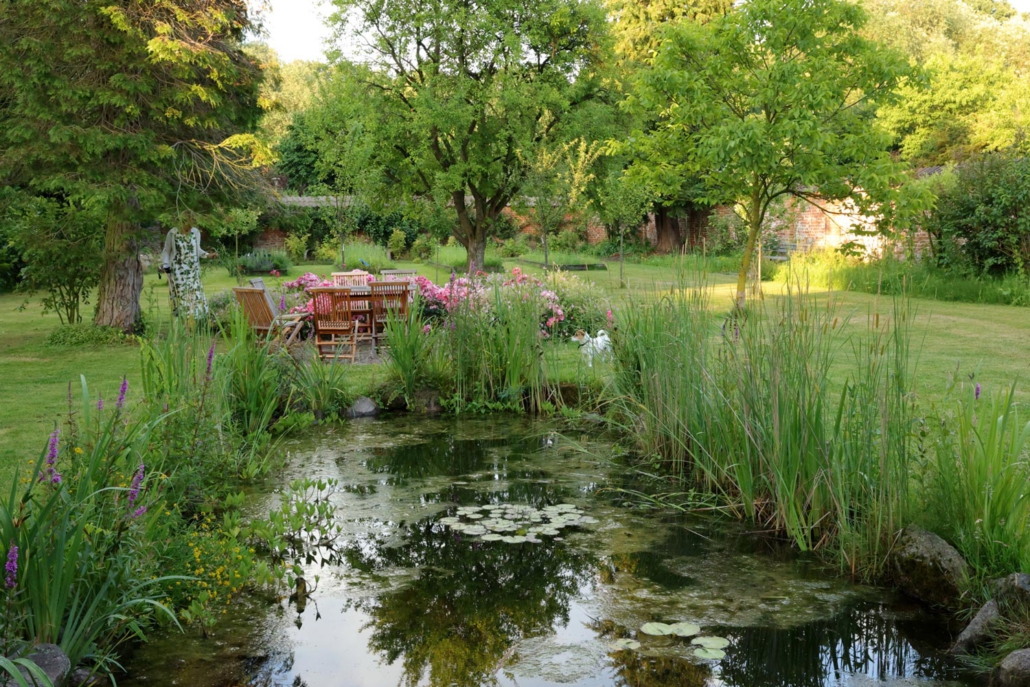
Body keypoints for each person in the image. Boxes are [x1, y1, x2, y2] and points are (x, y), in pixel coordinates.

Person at [160, 214, 218, 319]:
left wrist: (208, 255)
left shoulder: (195, 232)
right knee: (182, 296)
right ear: (182, 221)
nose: (190, 227)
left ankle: (198, 321)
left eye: (192, 224)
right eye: (188, 224)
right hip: (178, 271)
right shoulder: (173, 233)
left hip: (193, 270)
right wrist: (165, 265)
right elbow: (166, 251)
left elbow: (197, 249)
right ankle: (183, 321)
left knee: (195, 295)